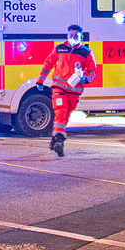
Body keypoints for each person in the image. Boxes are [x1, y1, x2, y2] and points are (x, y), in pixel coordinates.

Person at [35, 23, 97, 157]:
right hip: (58, 88)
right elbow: (48, 64)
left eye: (76, 36)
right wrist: (40, 80)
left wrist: (85, 79)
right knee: (61, 110)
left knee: (64, 115)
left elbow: (93, 71)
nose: (73, 37)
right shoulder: (59, 49)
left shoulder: (86, 53)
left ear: (81, 37)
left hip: (75, 91)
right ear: (67, 35)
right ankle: (59, 140)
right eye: (71, 35)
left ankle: (54, 138)